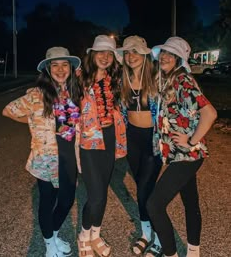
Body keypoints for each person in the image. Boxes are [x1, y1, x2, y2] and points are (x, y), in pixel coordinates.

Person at [2, 47, 82, 257]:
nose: (60, 69)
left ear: (71, 68)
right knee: (47, 201)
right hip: (45, 157)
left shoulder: (74, 92)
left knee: (67, 200)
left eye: (64, 64)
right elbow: (8, 110)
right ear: (47, 69)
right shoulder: (37, 95)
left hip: (69, 156)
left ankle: (54, 234)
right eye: (54, 65)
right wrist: (31, 122)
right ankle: (49, 244)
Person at [145, 37, 217, 257]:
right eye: (164, 53)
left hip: (188, 155)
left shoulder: (183, 81)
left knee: (154, 205)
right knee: (190, 201)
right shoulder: (167, 80)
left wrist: (191, 140)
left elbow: (210, 113)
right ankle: (194, 250)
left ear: (179, 60)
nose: (165, 57)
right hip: (178, 155)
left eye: (171, 54)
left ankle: (170, 253)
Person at [77, 35, 127, 257]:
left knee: (102, 192)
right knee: (95, 195)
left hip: (109, 137)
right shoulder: (78, 79)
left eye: (109, 53)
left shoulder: (115, 79)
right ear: (92, 55)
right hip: (88, 141)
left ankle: (95, 235)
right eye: (101, 52)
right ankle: (83, 236)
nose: (105, 57)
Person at [117, 35, 163, 257]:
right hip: (131, 138)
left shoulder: (157, 78)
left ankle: (160, 237)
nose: (131, 56)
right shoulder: (122, 81)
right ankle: (146, 233)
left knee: (145, 189)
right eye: (127, 52)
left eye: (135, 51)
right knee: (142, 188)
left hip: (153, 139)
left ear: (145, 54)